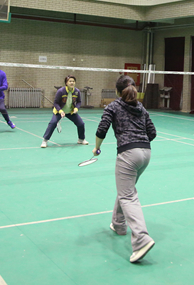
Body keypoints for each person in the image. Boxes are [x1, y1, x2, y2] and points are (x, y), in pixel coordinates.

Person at [93, 75, 156, 263]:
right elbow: (152, 132)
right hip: (146, 153)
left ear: (117, 91)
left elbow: (102, 129)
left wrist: (96, 148)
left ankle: (142, 239)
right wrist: (139, 142)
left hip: (129, 154)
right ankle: (119, 224)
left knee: (128, 196)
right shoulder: (141, 107)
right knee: (125, 190)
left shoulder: (113, 106)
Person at [41, 75, 87, 148]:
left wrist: (76, 108)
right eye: (70, 81)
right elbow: (56, 103)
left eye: (73, 81)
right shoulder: (61, 91)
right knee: (53, 123)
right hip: (59, 111)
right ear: (66, 83)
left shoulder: (77, 91)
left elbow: (79, 102)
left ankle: (81, 139)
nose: (72, 83)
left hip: (70, 111)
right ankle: (45, 140)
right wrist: (60, 111)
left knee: (81, 124)